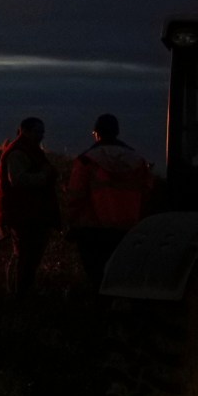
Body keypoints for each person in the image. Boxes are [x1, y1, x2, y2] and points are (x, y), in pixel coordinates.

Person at [64, 113, 154, 289]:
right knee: (122, 275)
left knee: (96, 275)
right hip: (128, 227)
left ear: (96, 133)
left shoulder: (86, 161)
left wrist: (72, 223)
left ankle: (100, 308)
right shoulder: (137, 161)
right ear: (117, 132)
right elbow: (148, 194)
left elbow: (75, 196)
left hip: (92, 229)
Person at [0, 116, 60, 297]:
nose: (41, 135)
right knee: (24, 256)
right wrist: (44, 175)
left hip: (31, 213)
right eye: (37, 131)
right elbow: (18, 180)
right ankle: (18, 294)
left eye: (42, 132)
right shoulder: (18, 153)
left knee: (29, 257)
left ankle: (22, 292)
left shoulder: (29, 151)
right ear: (25, 131)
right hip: (23, 214)